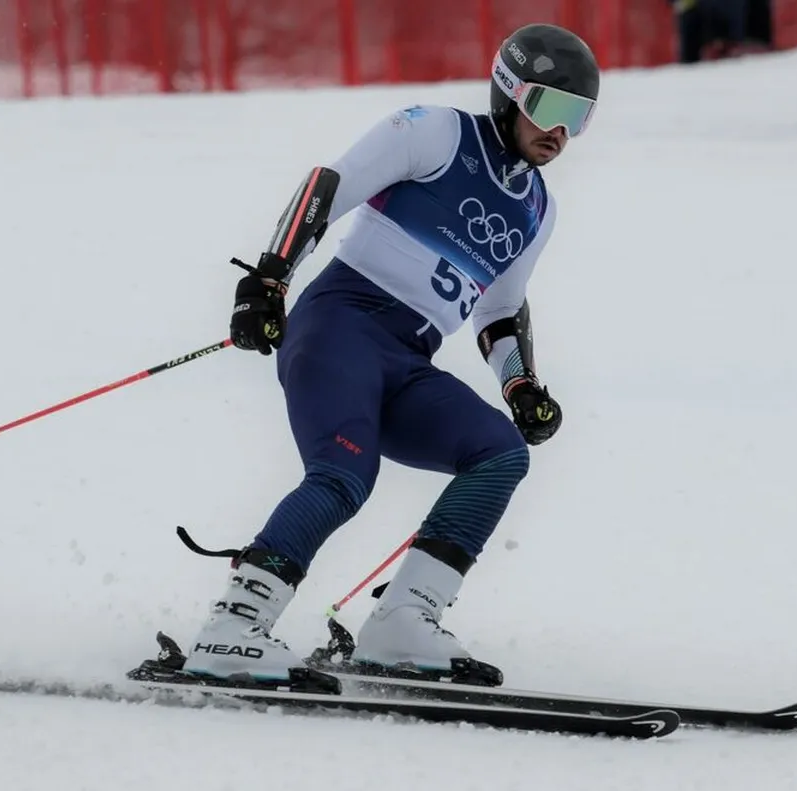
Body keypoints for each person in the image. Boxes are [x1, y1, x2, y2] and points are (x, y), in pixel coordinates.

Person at [181, 23, 601, 683]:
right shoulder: (435, 132)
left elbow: (498, 310)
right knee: (344, 477)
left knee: (499, 454)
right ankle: (231, 628)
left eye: (578, 117)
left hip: (407, 361)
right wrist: (270, 277)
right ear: (510, 92)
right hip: (337, 329)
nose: (561, 132)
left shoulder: (537, 210)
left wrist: (520, 387)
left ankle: (403, 621)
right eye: (550, 108)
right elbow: (328, 186)